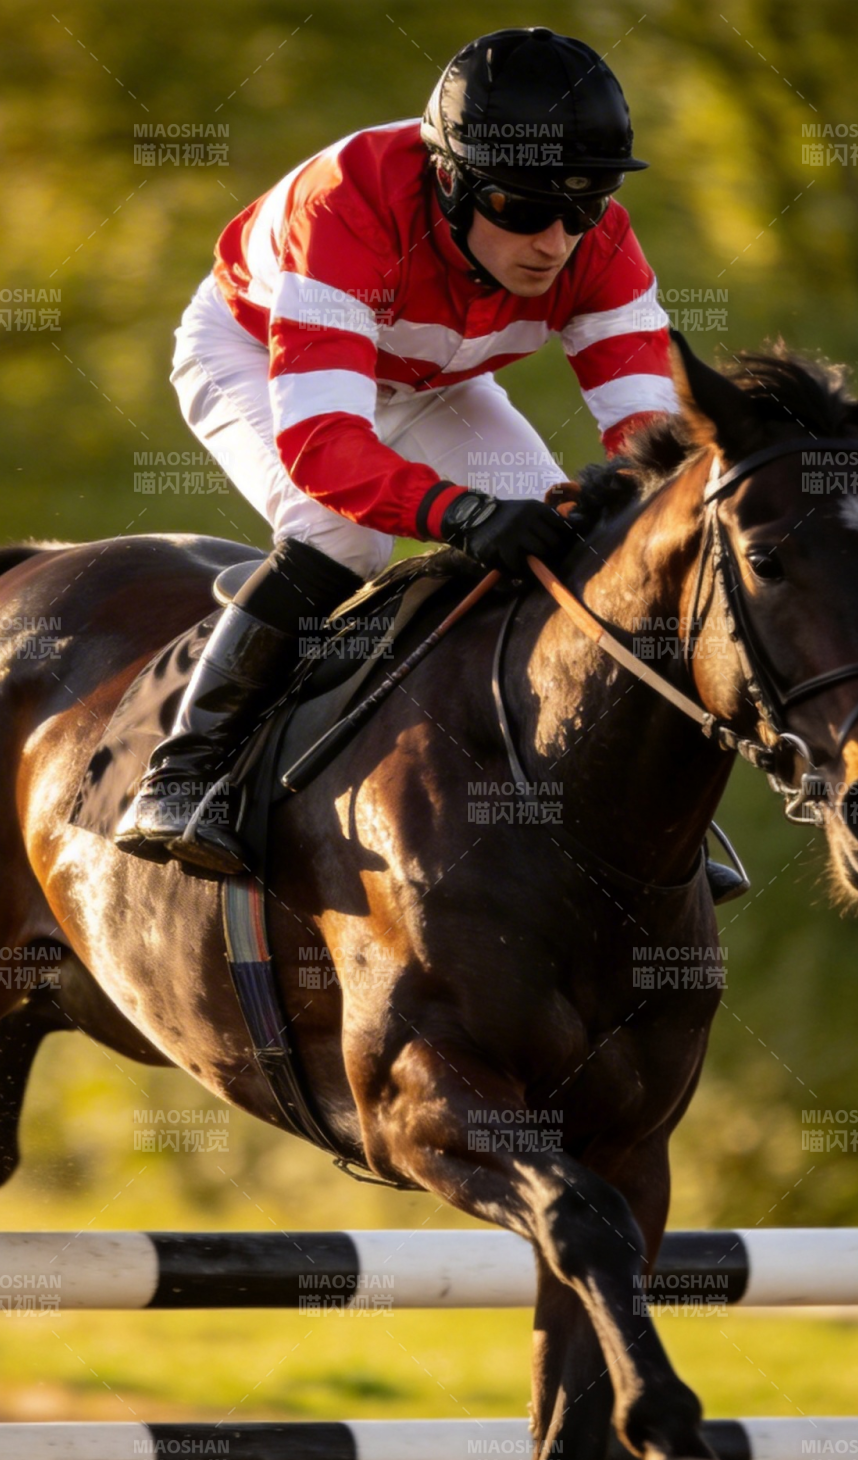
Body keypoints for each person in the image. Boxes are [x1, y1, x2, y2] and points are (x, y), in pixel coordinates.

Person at [117, 27, 741, 900]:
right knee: (340, 536)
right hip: (258, 354)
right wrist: (460, 513)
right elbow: (324, 445)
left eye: (585, 203)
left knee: (573, 541)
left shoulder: (599, 245)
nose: (555, 241)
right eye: (522, 209)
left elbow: (651, 443)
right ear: (450, 179)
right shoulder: (347, 205)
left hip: (432, 378)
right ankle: (181, 773)